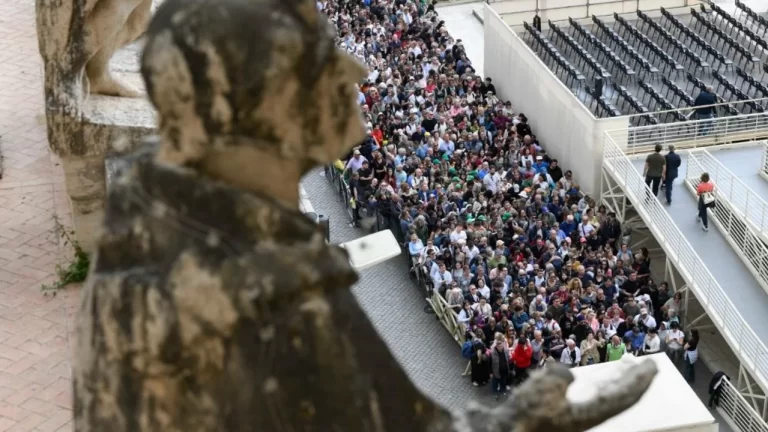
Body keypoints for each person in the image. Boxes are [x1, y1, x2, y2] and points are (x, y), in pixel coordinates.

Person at [490, 335, 510, 400]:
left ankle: (502, 390)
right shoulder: (492, 354)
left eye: (502, 346)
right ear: (497, 346)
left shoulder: (506, 351)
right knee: (495, 383)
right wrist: (490, 373)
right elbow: (489, 364)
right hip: (496, 372)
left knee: (503, 382)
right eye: (499, 346)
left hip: (504, 372)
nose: (501, 347)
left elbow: (508, 359)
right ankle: (495, 392)